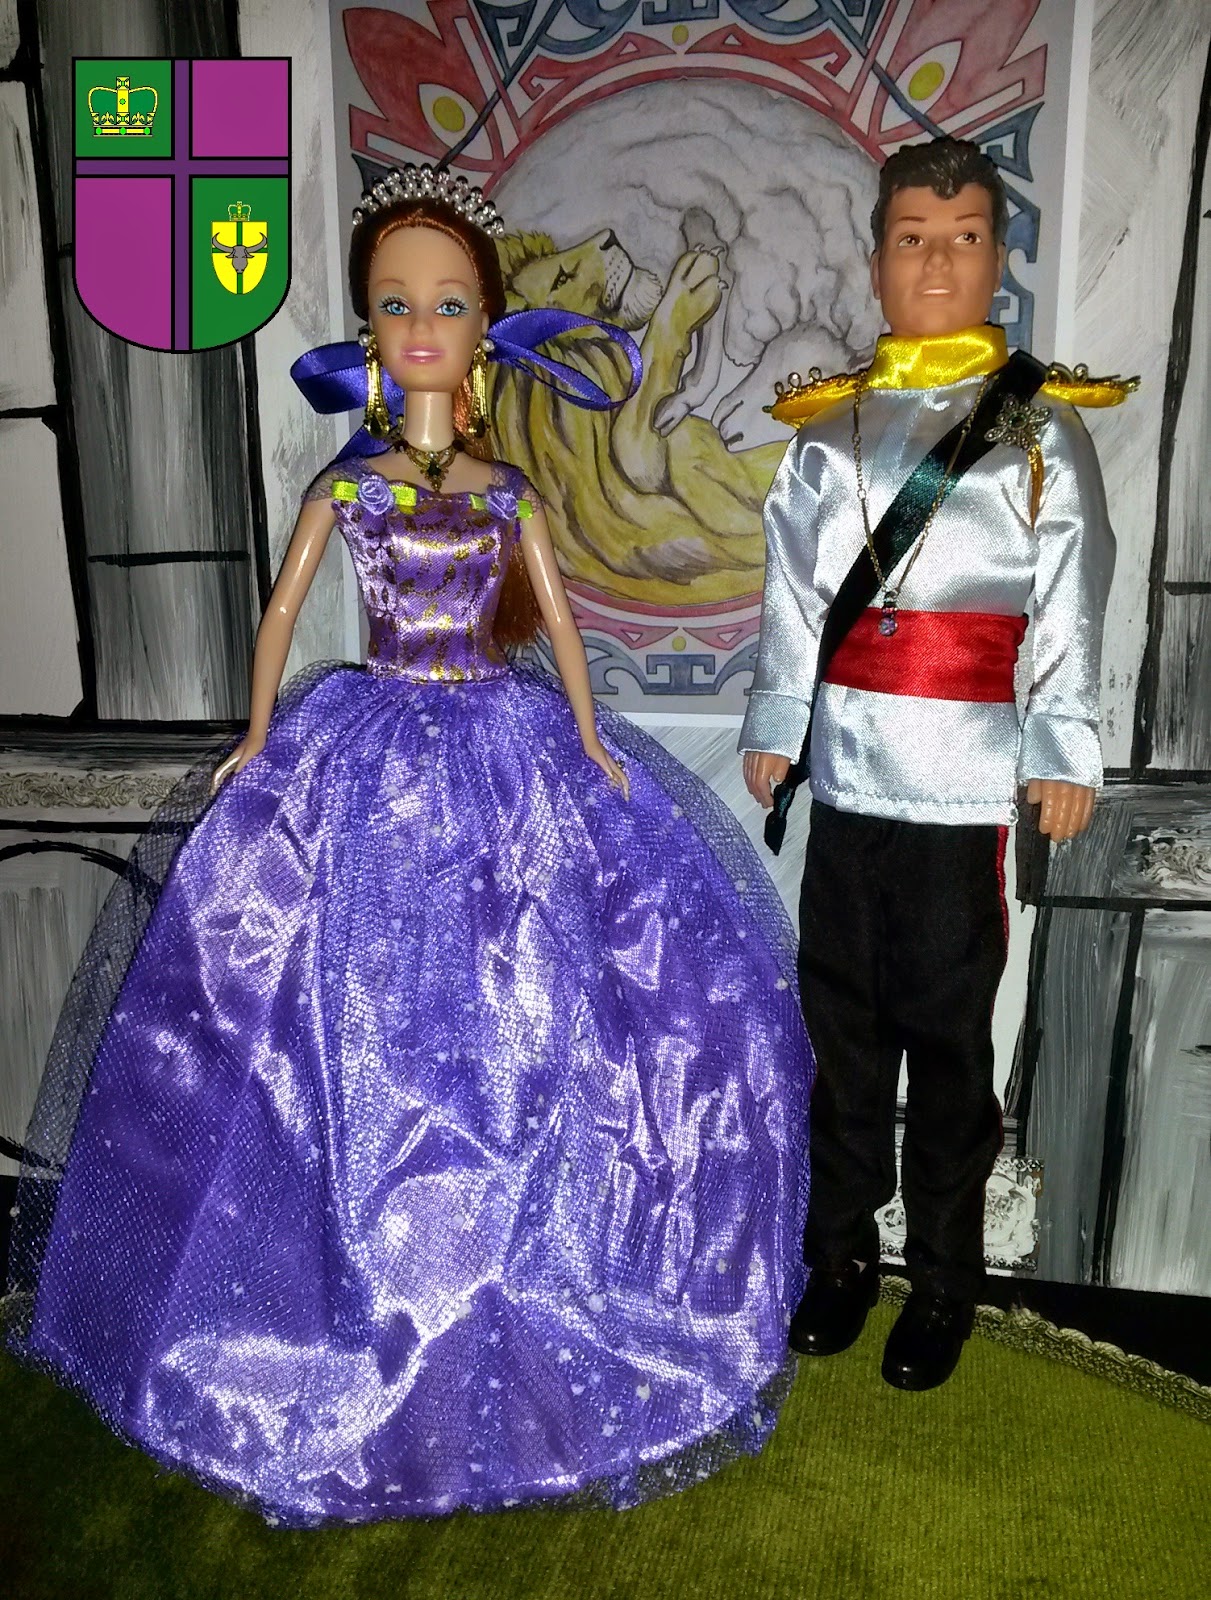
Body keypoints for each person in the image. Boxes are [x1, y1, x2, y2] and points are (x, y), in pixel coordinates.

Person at [8, 166, 811, 1524]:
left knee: (528, 1014)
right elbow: (281, 612)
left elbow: (560, 623)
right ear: (369, 330)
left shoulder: (504, 489)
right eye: (395, 303)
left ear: (485, 327)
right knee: (338, 1023)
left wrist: (590, 737)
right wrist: (256, 734)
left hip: (502, 746)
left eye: (446, 303)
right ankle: (344, 1298)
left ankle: (519, 1273)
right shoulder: (354, 482)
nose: (421, 325)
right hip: (367, 752)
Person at [740, 137, 1132, 1391]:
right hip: (850, 772)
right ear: (874, 262)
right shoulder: (827, 430)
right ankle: (841, 1251)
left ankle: (945, 1276)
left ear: (998, 258)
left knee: (950, 1042)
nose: (936, 262)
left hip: (965, 781)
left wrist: (1061, 744)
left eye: (962, 238)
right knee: (840, 1030)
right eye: (911, 238)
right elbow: (794, 589)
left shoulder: (1035, 426)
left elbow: (1071, 593)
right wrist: (776, 718)